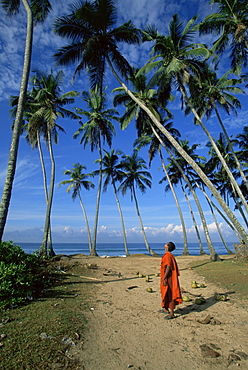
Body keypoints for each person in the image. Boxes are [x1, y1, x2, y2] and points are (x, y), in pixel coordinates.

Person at [159, 241, 182, 319]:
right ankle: (165, 308)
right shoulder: (168, 255)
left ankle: (172, 313)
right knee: (165, 292)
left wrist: (164, 277)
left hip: (169, 278)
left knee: (170, 293)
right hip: (167, 277)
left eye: (166, 244)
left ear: (167, 247)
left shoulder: (168, 255)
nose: (164, 244)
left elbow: (168, 267)